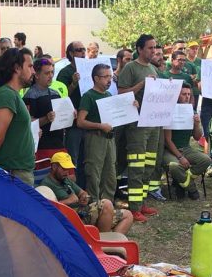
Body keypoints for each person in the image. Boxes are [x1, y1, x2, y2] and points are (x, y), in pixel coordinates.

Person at [118, 34, 160, 222]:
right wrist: (142, 84)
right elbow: (121, 93)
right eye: (150, 48)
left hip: (153, 123)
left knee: (149, 164)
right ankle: (133, 207)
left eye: (154, 47)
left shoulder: (153, 68)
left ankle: (142, 202)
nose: (154, 51)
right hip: (137, 125)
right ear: (140, 49)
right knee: (136, 164)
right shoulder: (130, 67)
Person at [41, 152, 133, 234]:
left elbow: (82, 192)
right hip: (74, 218)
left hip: (84, 212)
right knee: (106, 204)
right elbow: (45, 208)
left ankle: (111, 244)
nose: (67, 172)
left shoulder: (65, 179)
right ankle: (102, 242)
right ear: (54, 167)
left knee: (128, 215)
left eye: (68, 169)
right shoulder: (46, 185)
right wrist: (69, 201)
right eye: (64, 169)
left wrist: (85, 197)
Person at [0, 48, 36, 185]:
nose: (34, 71)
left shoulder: (12, 94)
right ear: (17, 68)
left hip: (17, 172)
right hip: (13, 174)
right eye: (30, 66)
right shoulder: (6, 95)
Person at [77, 64, 117, 202]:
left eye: (110, 76)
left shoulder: (109, 94)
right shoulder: (88, 96)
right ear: (96, 78)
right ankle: (94, 205)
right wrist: (100, 126)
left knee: (110, 174)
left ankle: (108, 205)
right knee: (94, 174)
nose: (109, 80)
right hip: (95, 139)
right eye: (105, 77)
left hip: (109, 139)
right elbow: (80, 121)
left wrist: (131, 105)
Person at [163, 84, 211, 200]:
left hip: (186, 148)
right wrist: (180, 157)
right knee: (175, 166)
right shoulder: (169, 111)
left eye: (189, 94)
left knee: (206, 160)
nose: (187, 97)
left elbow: (197, 137)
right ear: (177, 96)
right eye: (184, 94)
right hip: (169, 150)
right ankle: (191, 188)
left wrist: (197, 124)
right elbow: (167, 140)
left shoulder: (191, 111)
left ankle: (183, 180)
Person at [57, 41, 88, 187]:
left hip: (89, 122)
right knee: (73, 159)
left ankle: (84, 189)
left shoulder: (89, 69)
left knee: (86, 159)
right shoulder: (65, 72)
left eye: (84, 49)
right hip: (73, 123)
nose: (83, 52)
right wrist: (73, 84)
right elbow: (61, 98)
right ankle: (71, 189)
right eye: (79, 50)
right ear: (71, 53)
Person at [23, 58, 66, 161]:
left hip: (59, 144)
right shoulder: (30, 95)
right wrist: (46, 119)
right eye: (47, 73)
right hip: (42, 147)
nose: (51, 76)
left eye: (52, 72)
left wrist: (70, 115)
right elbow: (27, 123)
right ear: (36, 75)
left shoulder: (56, 93)